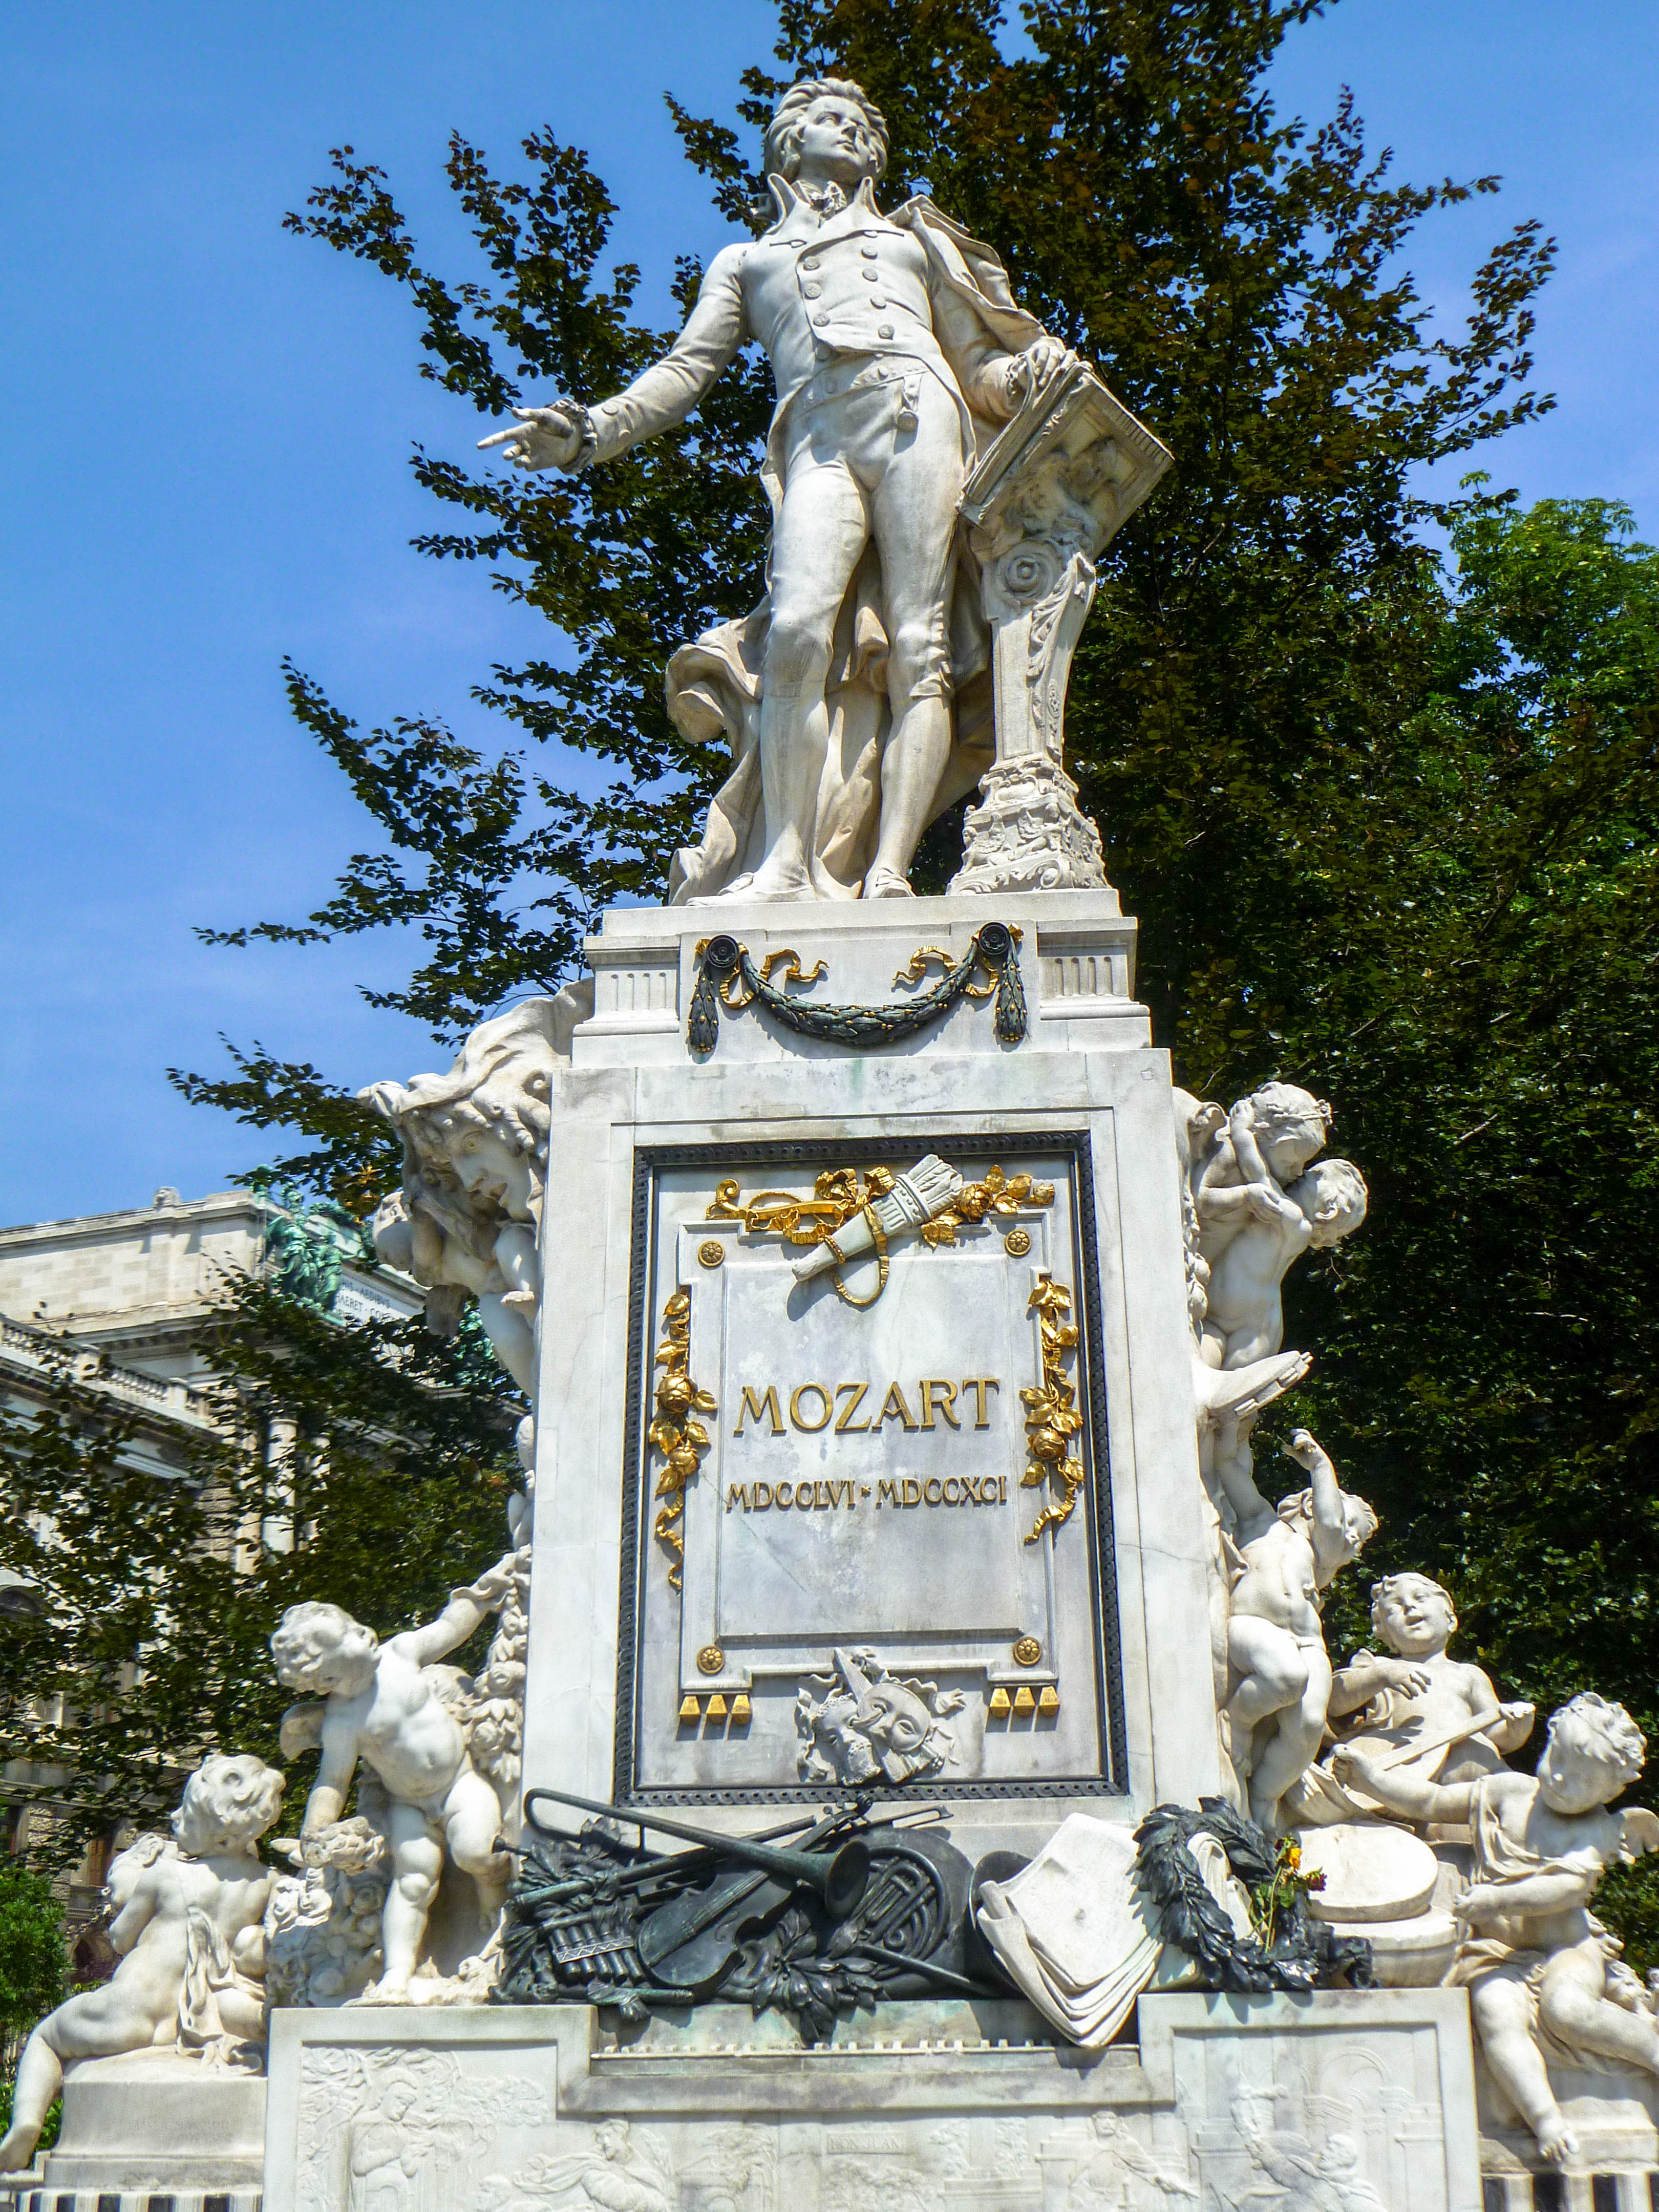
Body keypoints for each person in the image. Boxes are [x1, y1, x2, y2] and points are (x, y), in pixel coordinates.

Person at [478, 76, 1067, 903]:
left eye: (863, 125)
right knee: (794, 634)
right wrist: (590, 431)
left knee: (920, 643)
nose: (851, 132)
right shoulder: (748, 262)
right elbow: (686, 372)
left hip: (917, 414)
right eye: (831, 119)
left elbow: (978, 368)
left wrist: (1028, 373)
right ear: (790, 142)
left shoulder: (915, 240)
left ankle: (891, 870)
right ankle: (784, 862)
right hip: (818, 439)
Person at [1335, 1693, 1659, 2167]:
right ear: (1549, 1741)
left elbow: (1564, 1889)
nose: (1561, 1779)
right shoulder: (1508, 1791)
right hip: (1493, 1952)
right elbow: (1431, 1800)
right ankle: (1545, 2118)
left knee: (1567, 2009)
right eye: (1557, 1760)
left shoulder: (1594, 1831)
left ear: (1610, 1793)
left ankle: (1652, 2049)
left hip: (1567, 1950)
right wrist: (1372, 1780)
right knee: (1495, 2013)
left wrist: (1497, 1899)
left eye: (1583, 1780)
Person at [0, 1754, 284, 2174]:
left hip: (130, 2005)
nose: (174, 1818)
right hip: (184, 2019)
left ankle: (26, 2124)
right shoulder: (268, 1881)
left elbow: (119, 1938)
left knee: (45, 2038)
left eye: (186, 1814)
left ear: (217, 1831)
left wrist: (128, 1870)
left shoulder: (166, 1875)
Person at [270, 1547, 526, 1998]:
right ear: (325, 1680)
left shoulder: (402, 1653)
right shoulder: (342, 1722)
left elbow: (451, 1627)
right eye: (350, 1641)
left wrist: (486, 1590)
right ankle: (397, 1974)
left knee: (477, 1854)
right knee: (412, 1884)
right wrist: (315, 1830)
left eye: (357, 1629)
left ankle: (491, 1894)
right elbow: (332, 1783)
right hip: (408, 1805)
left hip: (460, 1781)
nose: (365, 1637)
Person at [1218, 1428, 1379, 1832]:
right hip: (1252, 1627)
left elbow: (1330, 1530)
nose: (1352, 1537)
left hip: (1308, 1642)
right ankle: (1237, 1722)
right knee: (1287, 1677)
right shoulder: (1260, 1522)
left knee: (1309, 1727)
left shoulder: (1321, 1559)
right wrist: (1318, 1464)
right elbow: (1226, 1465)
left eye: (1359, 1539)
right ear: (1310, 1504)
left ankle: (1264, 1796)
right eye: (1353, 1524)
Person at [1198, 1155, 1368, 1370]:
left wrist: (1243, 1138)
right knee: (1203, 1367)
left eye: (1318, 1176)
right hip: (1229, 1319)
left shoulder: (1296, 1223)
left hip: (1253, 1330)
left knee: (1223, 1381)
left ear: (1327, 1211)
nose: (1305, 1173)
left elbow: (1258, 1174)